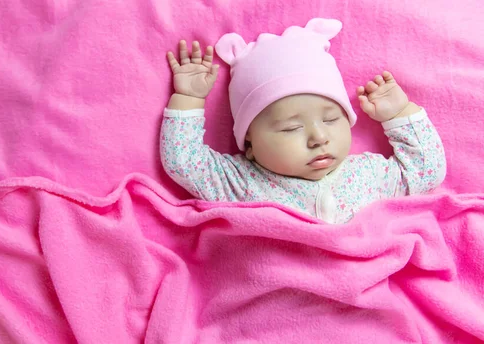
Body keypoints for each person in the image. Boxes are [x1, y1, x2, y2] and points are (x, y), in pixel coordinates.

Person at [160, 18, 446, 224]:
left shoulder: (367, 175)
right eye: (292, 127)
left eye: (332, 119)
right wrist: (189, 98)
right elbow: (183, 162)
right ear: (250, 143)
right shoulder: (238, 182)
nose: (319, 138)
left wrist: (399, 114)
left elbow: (426, 172)